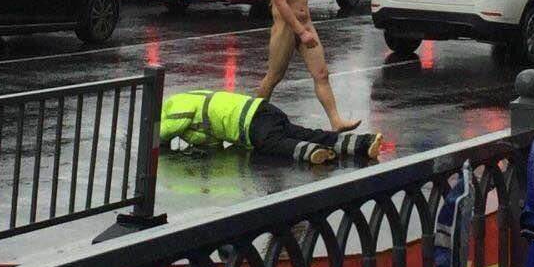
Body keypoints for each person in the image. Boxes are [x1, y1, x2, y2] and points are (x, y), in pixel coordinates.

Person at [257, 0, 361, 133]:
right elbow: (281, 3)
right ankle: (252, 118)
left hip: (306, 25)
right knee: (274, 76)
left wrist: (305, 29)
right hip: (286, 28)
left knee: (322, 74)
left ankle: (336, 121)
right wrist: (300, 31)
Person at [160, 89, 382, 164]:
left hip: (251, 123)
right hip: (264, 110)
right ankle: (363, 143)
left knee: (274, 144)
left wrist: (157, 143)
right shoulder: (194, 99)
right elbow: (212, 142)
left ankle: (311, 152)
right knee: (303, 132)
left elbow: (164, 132)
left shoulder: (175, 106)